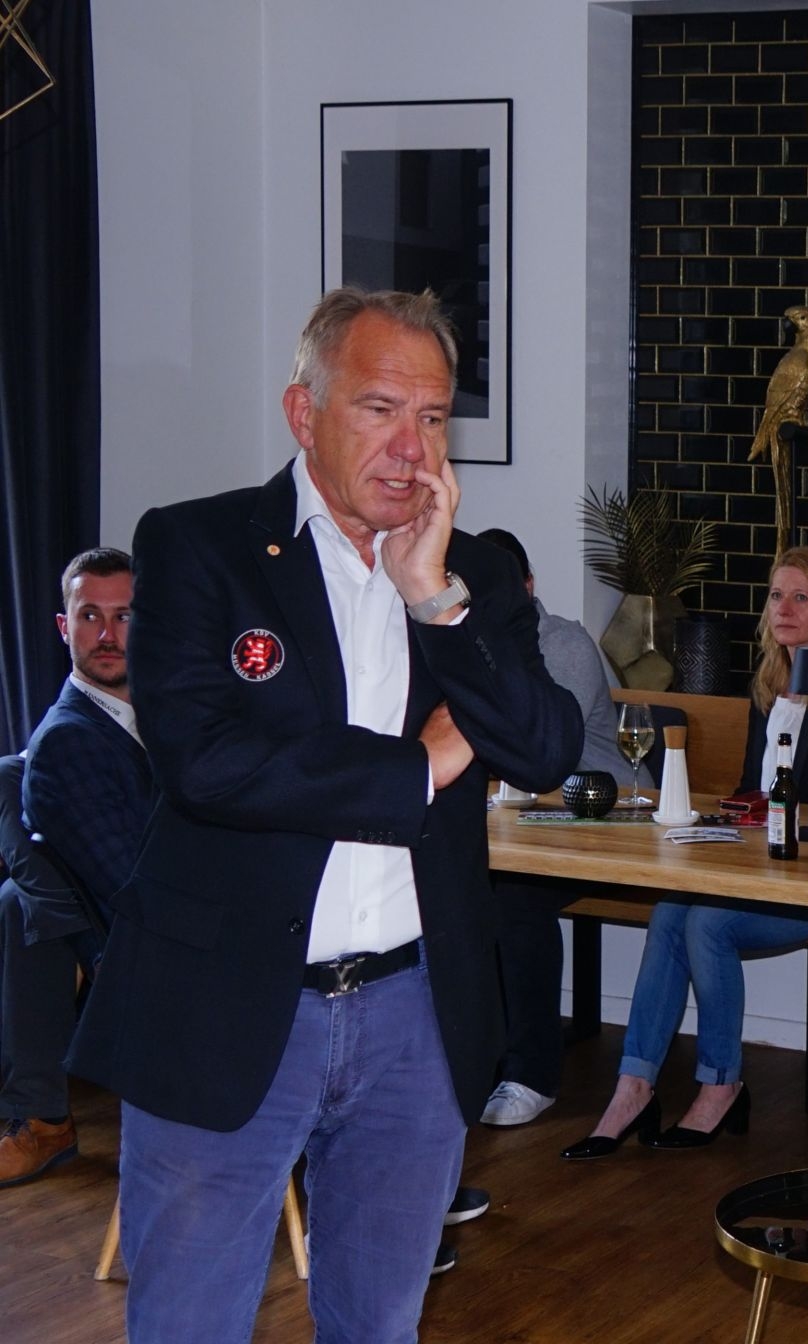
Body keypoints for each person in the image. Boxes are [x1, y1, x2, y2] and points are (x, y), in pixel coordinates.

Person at [68, 288, 582, 1343]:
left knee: (378, 1323)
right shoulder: (199, 545)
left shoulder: (474, 570)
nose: (411, 447)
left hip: (414, 1013)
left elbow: (542, 748)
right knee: (189, 1323)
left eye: (432, 418)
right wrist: (419, 768)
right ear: (304, 413)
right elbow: (208, 763)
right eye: (380, 409)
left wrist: (433, 598)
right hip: (227, 1004)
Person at [563, 545, 808, 1157]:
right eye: (776, 595)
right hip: (760, 867)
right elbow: (752, 790)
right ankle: (634, 1086)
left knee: (708, 923)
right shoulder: (766, 689)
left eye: (801, 597)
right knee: (672, 911)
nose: (784, 608)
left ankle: (721, 1083)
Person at [0, 548, 154, 1187]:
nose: (108, 634)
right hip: (160, 942)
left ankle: (42, 1118)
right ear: (65, 628)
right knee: (21, 901)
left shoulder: (171, 711)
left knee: (21, 899)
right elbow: (136, 889)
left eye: (125, 616)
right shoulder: (71, 738)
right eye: (90, 616)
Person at [474, 526, 630, 1128]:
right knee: (456, 886)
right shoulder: (462, 641)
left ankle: (531, 1074)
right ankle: (475, 1060)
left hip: (603, 817)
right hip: (523, 820)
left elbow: (538, 749)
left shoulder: (560, 642)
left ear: (529, 587)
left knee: (514, 898)